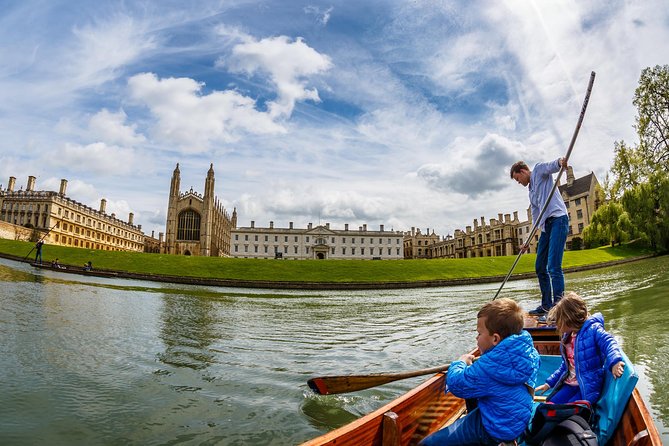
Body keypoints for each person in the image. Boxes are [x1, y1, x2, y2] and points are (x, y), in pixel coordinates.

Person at [419, 298, 540, 446]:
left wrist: (460, 362)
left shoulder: (488, 367)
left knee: (428, 444)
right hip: (516, 419)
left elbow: (458, 384)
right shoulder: (529, 352)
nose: (476, 338)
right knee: (476, 393)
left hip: (496, 428)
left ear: (495, 338)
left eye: (479, 333)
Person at [535, 292, 625, 405]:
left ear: (569, 319)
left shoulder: (593, 330)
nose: (557, 326)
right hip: (570, 384)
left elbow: (610, 343)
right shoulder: (567, 336)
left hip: (588, 387)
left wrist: (615, 361)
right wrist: (549, 383)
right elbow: (566, 366)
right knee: (551, 405)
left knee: (569, 409)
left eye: (560, 322)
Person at [510, 159, 569, 316]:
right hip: (546, 227)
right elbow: (535, 219)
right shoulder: (531, 193)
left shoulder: (538, 170)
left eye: (517, 179)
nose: (518, 182)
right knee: (539, 267)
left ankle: (559, 308)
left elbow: (552, 166)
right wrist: (527, 242)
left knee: (553, 267)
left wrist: (560, 162)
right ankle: (546, 305)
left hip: (558, 219)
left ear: (522, 172)